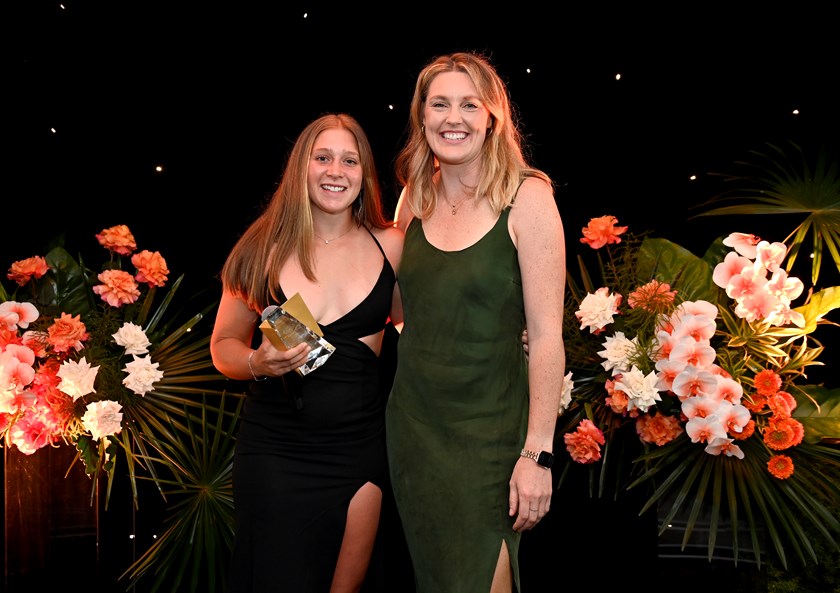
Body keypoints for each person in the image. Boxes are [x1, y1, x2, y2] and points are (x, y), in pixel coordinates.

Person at [384, 52, 567, 593]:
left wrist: (538, 452)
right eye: (439, 103)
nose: (453, 117)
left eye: (469, 104)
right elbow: (398, 310)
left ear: (492, 117)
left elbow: (549, 339)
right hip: (415, 428)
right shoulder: (412, 200)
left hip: (491, 434)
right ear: (422, 116)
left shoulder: (527, 196)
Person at [210, 113, 404, 593]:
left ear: (364, 173)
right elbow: (223, 347)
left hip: (360, 447)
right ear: (302, 167)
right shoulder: (261, 248)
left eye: (349, 160)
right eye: (323, 157)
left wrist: (508, 337)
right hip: (274, 451)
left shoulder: (394, 245)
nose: (335, 170)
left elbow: (423, 327)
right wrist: (257, 362)